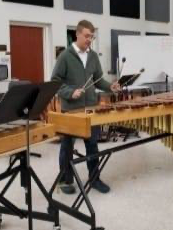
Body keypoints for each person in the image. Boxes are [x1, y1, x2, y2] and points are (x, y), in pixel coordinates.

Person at [51, 20, 120, 194]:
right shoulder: (65, 56)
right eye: (87, 36)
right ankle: (65, 180)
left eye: (92, 36)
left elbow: (98, 79)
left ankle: (94, 179)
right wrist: (69, 92)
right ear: (78, 34)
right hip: (71, 109)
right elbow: (55, 83)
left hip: (91, 107)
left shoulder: (93, 56)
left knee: (92, 145)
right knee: (67, 146)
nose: (90, 39)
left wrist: (110, 86)